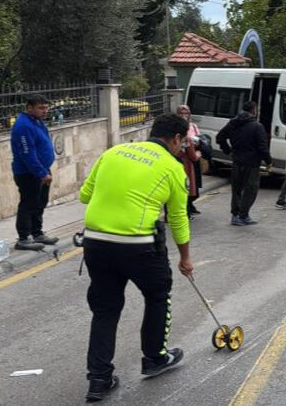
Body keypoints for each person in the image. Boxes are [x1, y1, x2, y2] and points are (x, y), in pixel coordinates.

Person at [78, 113, 194, 402]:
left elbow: (84, 195)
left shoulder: (112, 152)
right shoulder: (172, 167)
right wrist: (185, 258)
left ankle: (99, 379)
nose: (183, 148)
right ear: (176, 139)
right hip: (140, 246)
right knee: (157, 295)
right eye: (183, 143)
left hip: (96, 242)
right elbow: (178, 217)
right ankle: (155, 357)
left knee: (105, 309)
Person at [10, 94, 58, 251]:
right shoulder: (24, 125)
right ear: (30, 108)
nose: (45, 111)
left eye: (46, 108)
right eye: (41, 108)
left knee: (40, 202)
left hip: (41, 170)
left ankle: (37, 233)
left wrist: (44, 171)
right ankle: (24, 238)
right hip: (29, 173)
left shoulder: (36, 122)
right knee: (28, 204)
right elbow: (27, 153)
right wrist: (41, 173)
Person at [216, 100, 271, 226]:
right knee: (251, 189)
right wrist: (268, 161)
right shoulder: (257, 126)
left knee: (237, 189)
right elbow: (263, 148)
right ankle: (243, 215)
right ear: (254, 110)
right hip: (252, 163)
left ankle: (235, 215)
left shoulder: (233, 123)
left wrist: (228, 151)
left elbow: (220, 137)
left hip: (237, 161)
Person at [176, 105, 202, 217]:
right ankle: (185, 210)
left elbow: (200, 140)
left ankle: (190, 206)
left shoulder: (193, 126)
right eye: (181, 113)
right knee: (185, 187)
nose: (184, 116)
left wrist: (197, 143)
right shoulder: (176, 128)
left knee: (194, 186)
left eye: (186, 113)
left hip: (192, 160)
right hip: (184, 159)